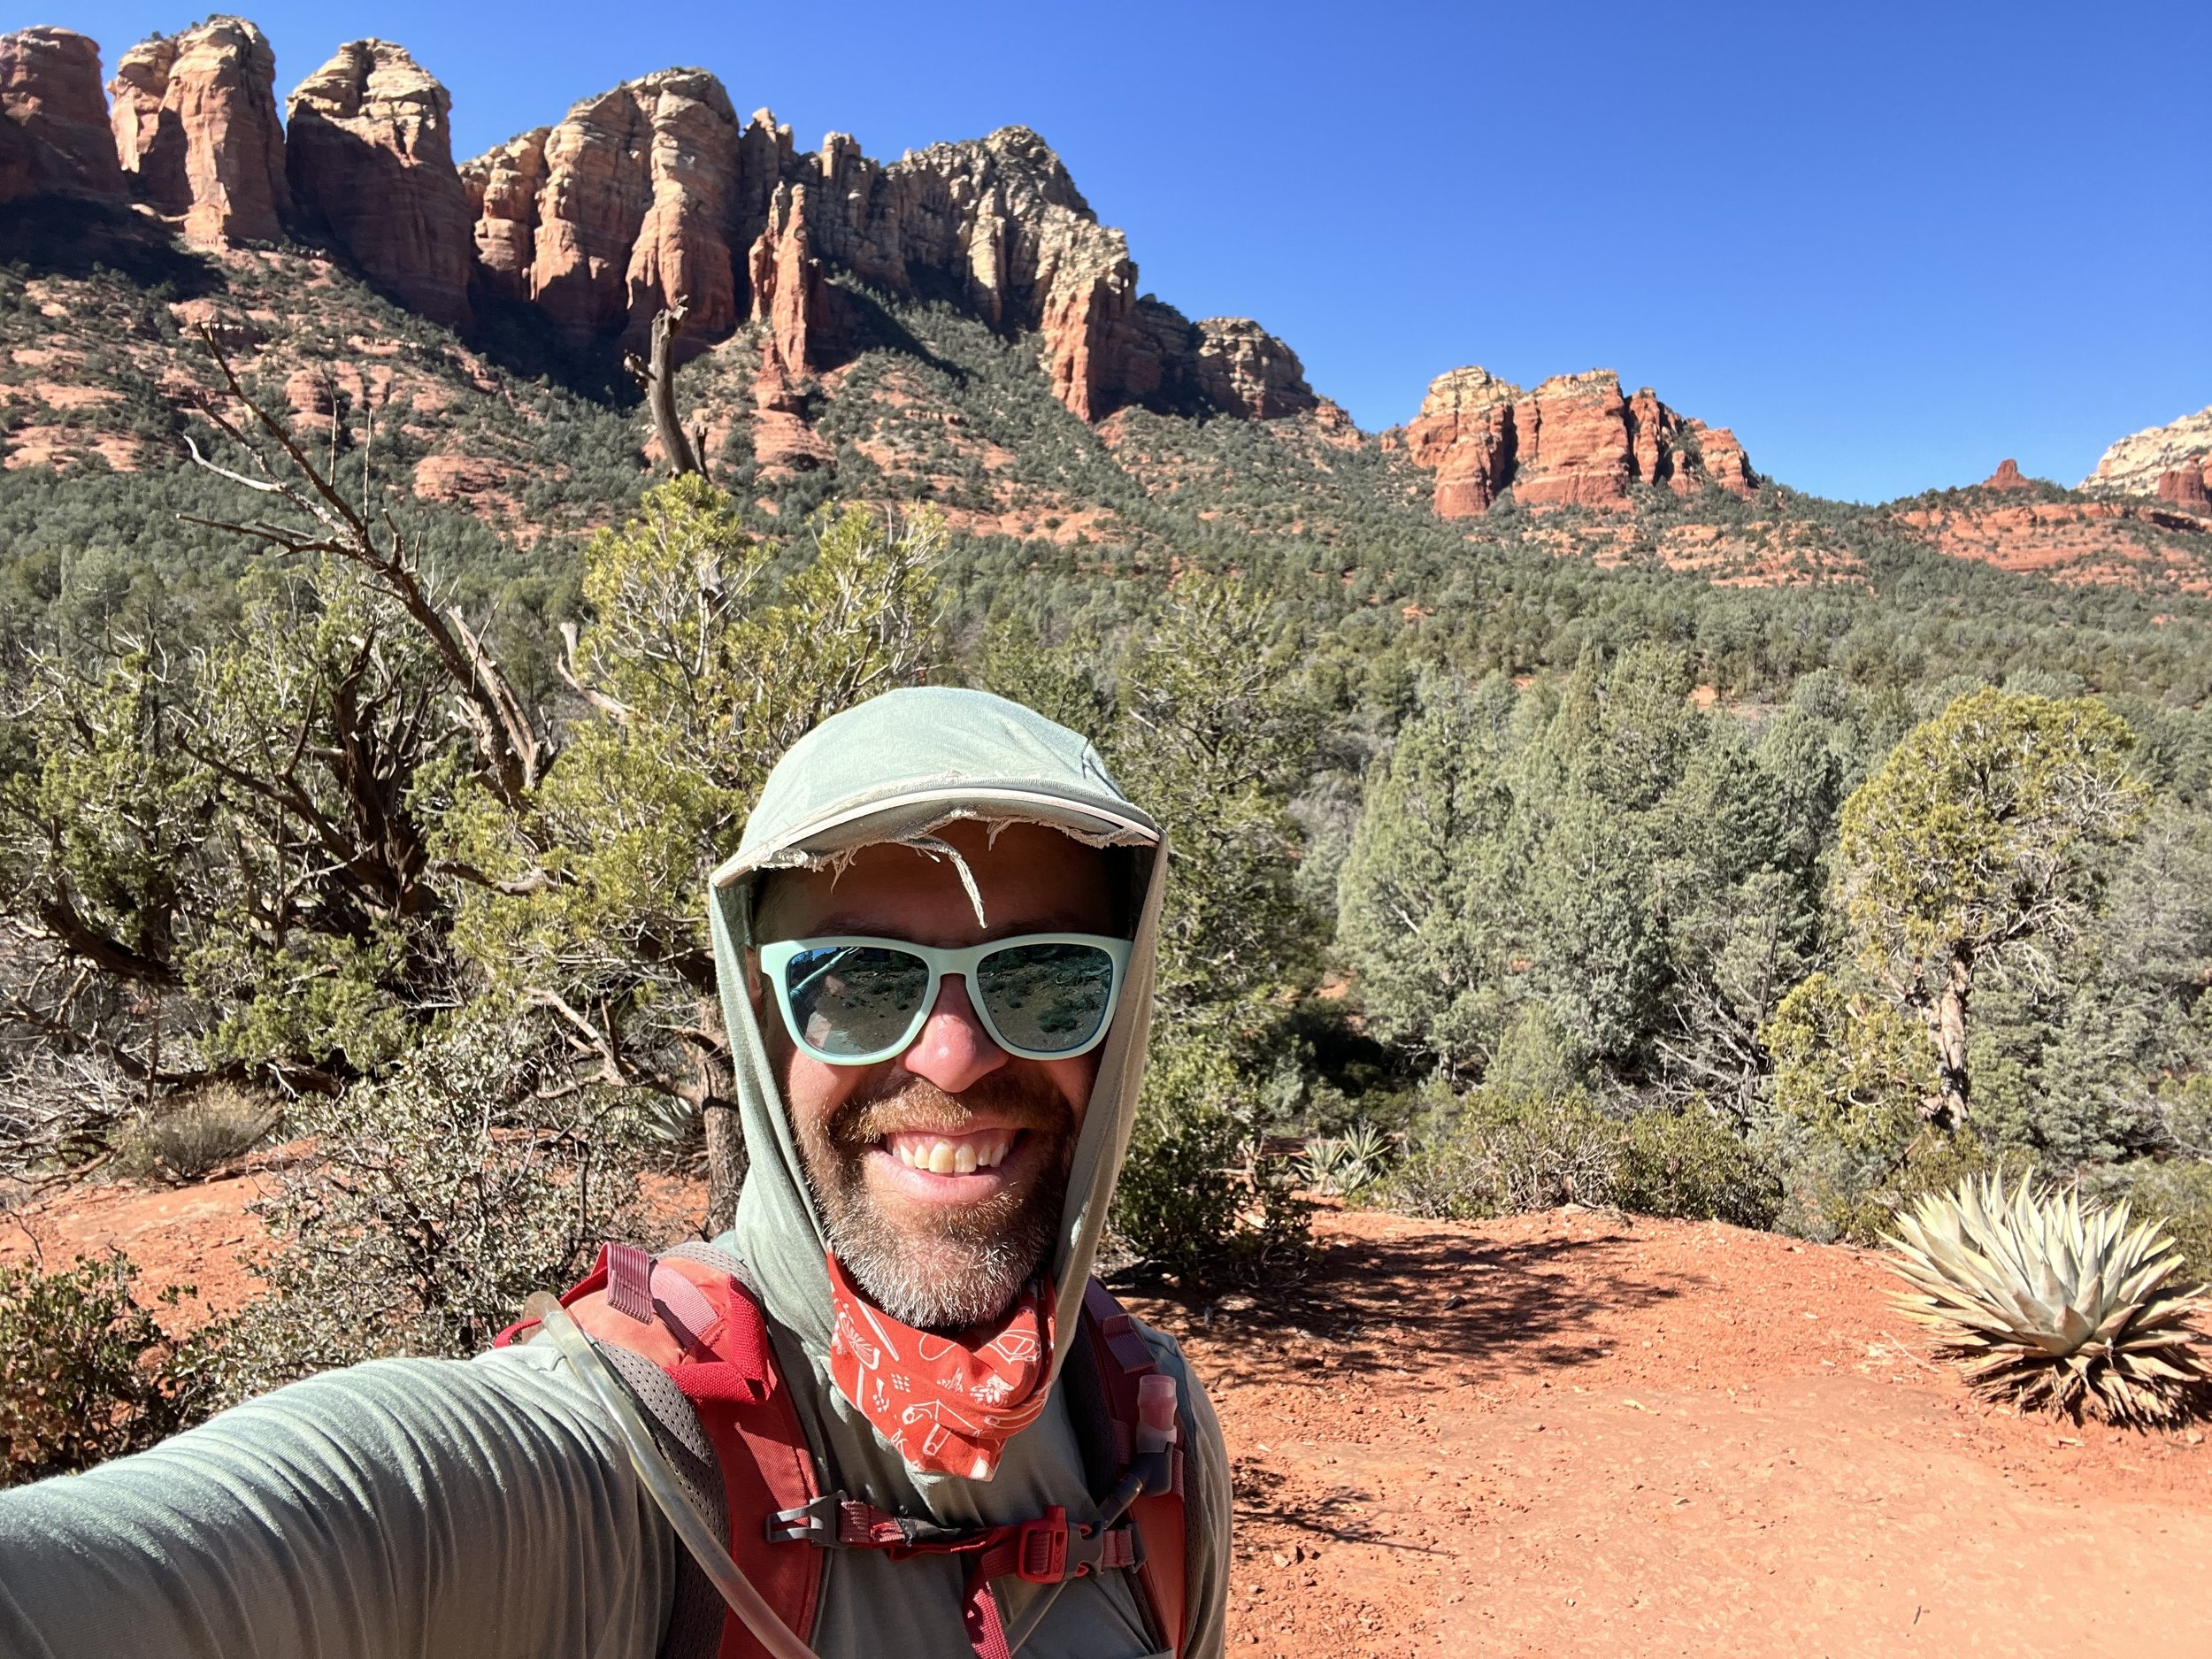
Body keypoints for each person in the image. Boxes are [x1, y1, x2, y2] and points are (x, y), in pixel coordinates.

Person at [0, 687, 1232, 1659]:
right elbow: (252, 1544)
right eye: (854, 983)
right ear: (757, 1019)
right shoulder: (628, 1464)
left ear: (1119, 1021)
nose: (953, 1056)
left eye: (1048, 979)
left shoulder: (1150, 1439)